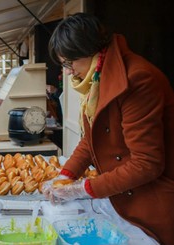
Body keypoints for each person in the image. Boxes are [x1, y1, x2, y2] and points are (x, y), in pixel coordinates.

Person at [43, 13, 174, 244]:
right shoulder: (98, 80)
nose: (68, 72)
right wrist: (66, 175)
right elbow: (92, 138)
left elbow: (147, 163)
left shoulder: (137, 80)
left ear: (89, 51)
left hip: (151, 203)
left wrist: (83, 188)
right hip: (125, 197)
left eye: (69, 63)